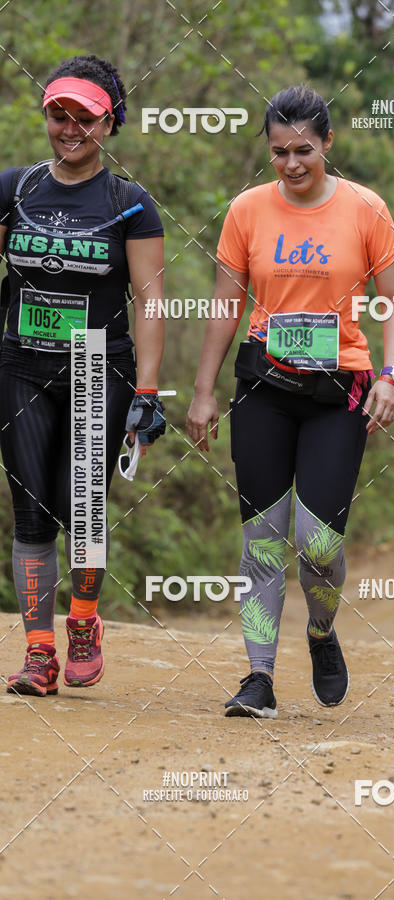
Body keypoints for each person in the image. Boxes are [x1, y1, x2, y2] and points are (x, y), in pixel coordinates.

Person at [187, 84, 394, 718]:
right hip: (262, 386)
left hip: (340, 388)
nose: (292, 163)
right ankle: (258, 676)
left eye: (305, 150)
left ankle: (319, 629)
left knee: (317, 544)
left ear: (328, 145)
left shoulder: (366, 210)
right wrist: (203, 392)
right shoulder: (246, 211)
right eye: (280, 151)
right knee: (260, 538)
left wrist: (392, 376)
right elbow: (225, 306)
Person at [0, 54, 166, 696]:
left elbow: (151, 301)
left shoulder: (129, 204)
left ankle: (86, 621)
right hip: (20, 362)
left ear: (110, 123)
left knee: (84, 508)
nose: (70, 128)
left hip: (100, 364)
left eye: (85, 117)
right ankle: (38, 652)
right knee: (30, 510)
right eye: (57, 113)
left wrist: (148, 392)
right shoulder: (15, 189)